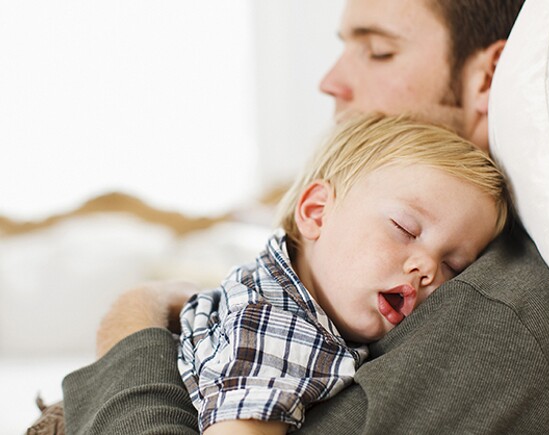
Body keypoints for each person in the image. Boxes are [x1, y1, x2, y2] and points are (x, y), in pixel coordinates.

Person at [58, 0, 549, 434]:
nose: (331, 81)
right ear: (315, 210)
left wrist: (132, 321)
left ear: (489, 76)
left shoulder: (502, 319)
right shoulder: (303, 299)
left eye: (379, 51)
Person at [169, 114, 508, 434]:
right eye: (405, 229)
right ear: (317, 213)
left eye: (453, 265)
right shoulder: (277, 328)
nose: (428, 270)